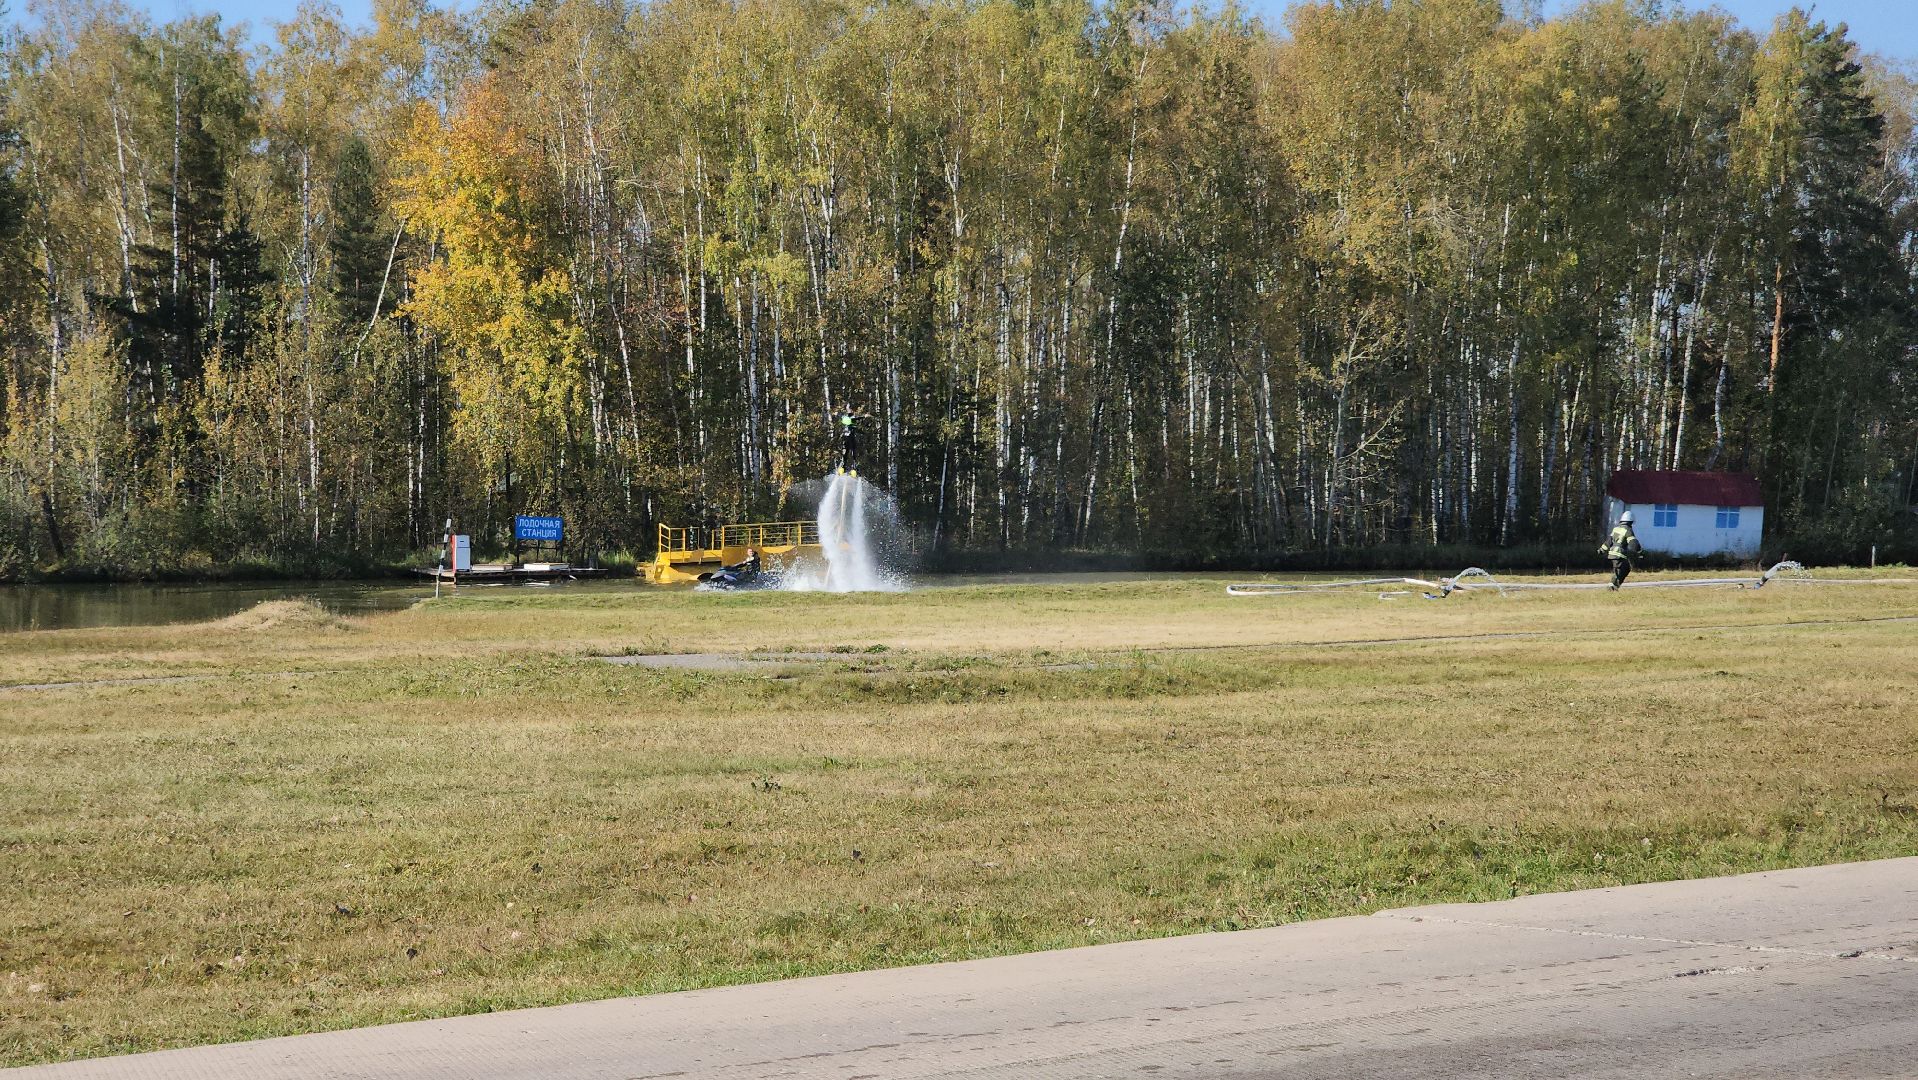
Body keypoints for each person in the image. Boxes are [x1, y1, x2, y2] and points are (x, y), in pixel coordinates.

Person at [1600, 510, 1643, 590]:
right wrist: (1640, 552)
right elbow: (1633, 543)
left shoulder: (1615, 529)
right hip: (1619, 555)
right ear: (1630, 522)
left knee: (1624, 569)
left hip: (1612, 554)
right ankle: (1612, 587)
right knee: (1620, 571)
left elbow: (1608, 541)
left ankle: (1615, 586)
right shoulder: (1628, 530)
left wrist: (1601, 550)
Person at [834, 408, 870, 474]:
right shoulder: (849, 419)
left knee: (849, 452)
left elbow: (855, 426)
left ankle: (847, 467)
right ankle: (848, 467)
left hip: (847, 438)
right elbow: (855, 418)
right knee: (850, 452)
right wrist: (864, 416)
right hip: (848, 438)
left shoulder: (846, 419)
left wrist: (837, 414)